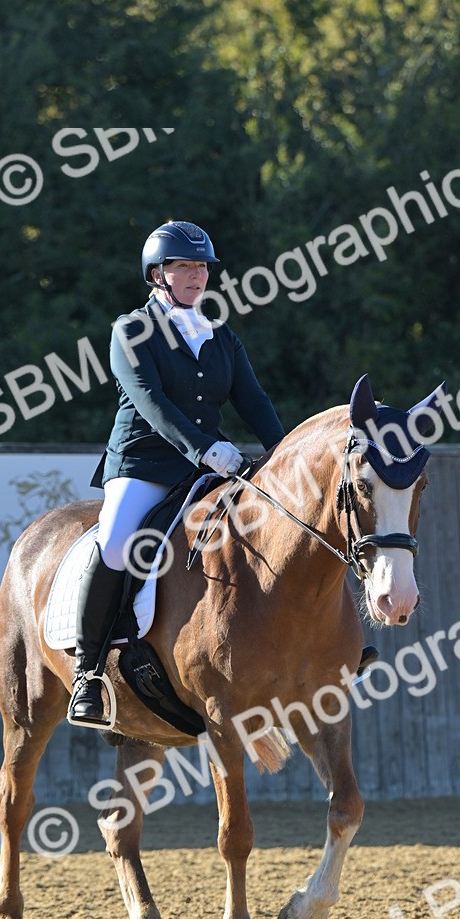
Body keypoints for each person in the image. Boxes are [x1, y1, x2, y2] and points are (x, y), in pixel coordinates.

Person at [69, 219, 286, 723]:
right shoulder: (130, 330)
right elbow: (150, 402)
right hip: (144, 464)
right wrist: (206, 448)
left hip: (207, 467)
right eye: (183, 266)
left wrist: (284, 454)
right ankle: (88, 671)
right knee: (120, 541)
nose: (196, 275)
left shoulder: (220, 335)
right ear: (157, 274)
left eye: (202, 266)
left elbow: (252, 400)